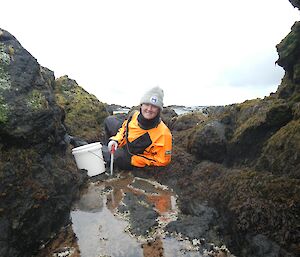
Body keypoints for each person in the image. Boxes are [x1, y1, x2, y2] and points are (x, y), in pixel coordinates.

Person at [102, 86, 172, 171]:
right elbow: (124, 128)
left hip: (133, 155)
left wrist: (135, 160)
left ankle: (108, 157)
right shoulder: (134, 115)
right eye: (146, 104)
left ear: (158, 110)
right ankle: (109, 146)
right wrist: (116, 140)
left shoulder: (164, 134)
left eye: (154, 106)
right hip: (126, 141)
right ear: (141, 105)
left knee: (103, 153)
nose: (149, 109)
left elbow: (162, 161)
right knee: (109, 120)